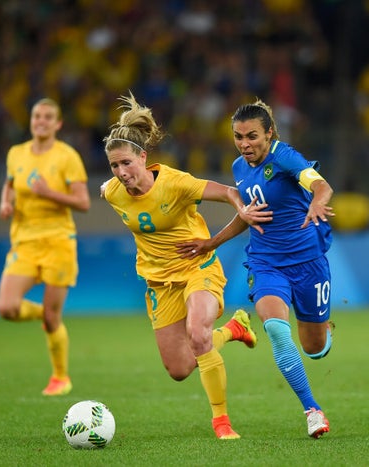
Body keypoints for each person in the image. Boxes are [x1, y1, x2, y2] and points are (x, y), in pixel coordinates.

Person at [100, 93, 271, 440]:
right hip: (160, 284)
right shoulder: (112, 191)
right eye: (114, 167)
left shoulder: (175, 183)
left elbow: (226, 191)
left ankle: (222, 423)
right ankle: (235, 329)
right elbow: (106, 187)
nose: (121, 173)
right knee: (179, 369)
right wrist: (110, 182)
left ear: (143, 158)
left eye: (126, 164)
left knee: (198, 333)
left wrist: (242, 208)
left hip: (197, 268)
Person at [178, 99, 335, 438]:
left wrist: (318, 203)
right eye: (238, 137)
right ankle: (312, 409)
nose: (245, 144)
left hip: (308, 263)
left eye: (252, 136)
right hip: (266, 263)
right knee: (277, 331)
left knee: (313, 348)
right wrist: (211, 242)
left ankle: (324, 333)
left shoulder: (285, 157)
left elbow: (320, 185)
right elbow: (247, 215)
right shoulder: (239, 168)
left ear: (269, 133)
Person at [0, 98, 90, 396]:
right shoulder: (16, 153)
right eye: (37, 115)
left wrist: (50, 193)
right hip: (24, 242)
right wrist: (5, 202)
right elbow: (10, 183)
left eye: (48, 117)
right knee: (7, 308)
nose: (41, 121)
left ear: (58, 124)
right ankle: (46, 314)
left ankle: (60, 377)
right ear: (31, 120)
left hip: (59, 242)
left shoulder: (67, 156)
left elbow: (83, 202)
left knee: (53, 321)